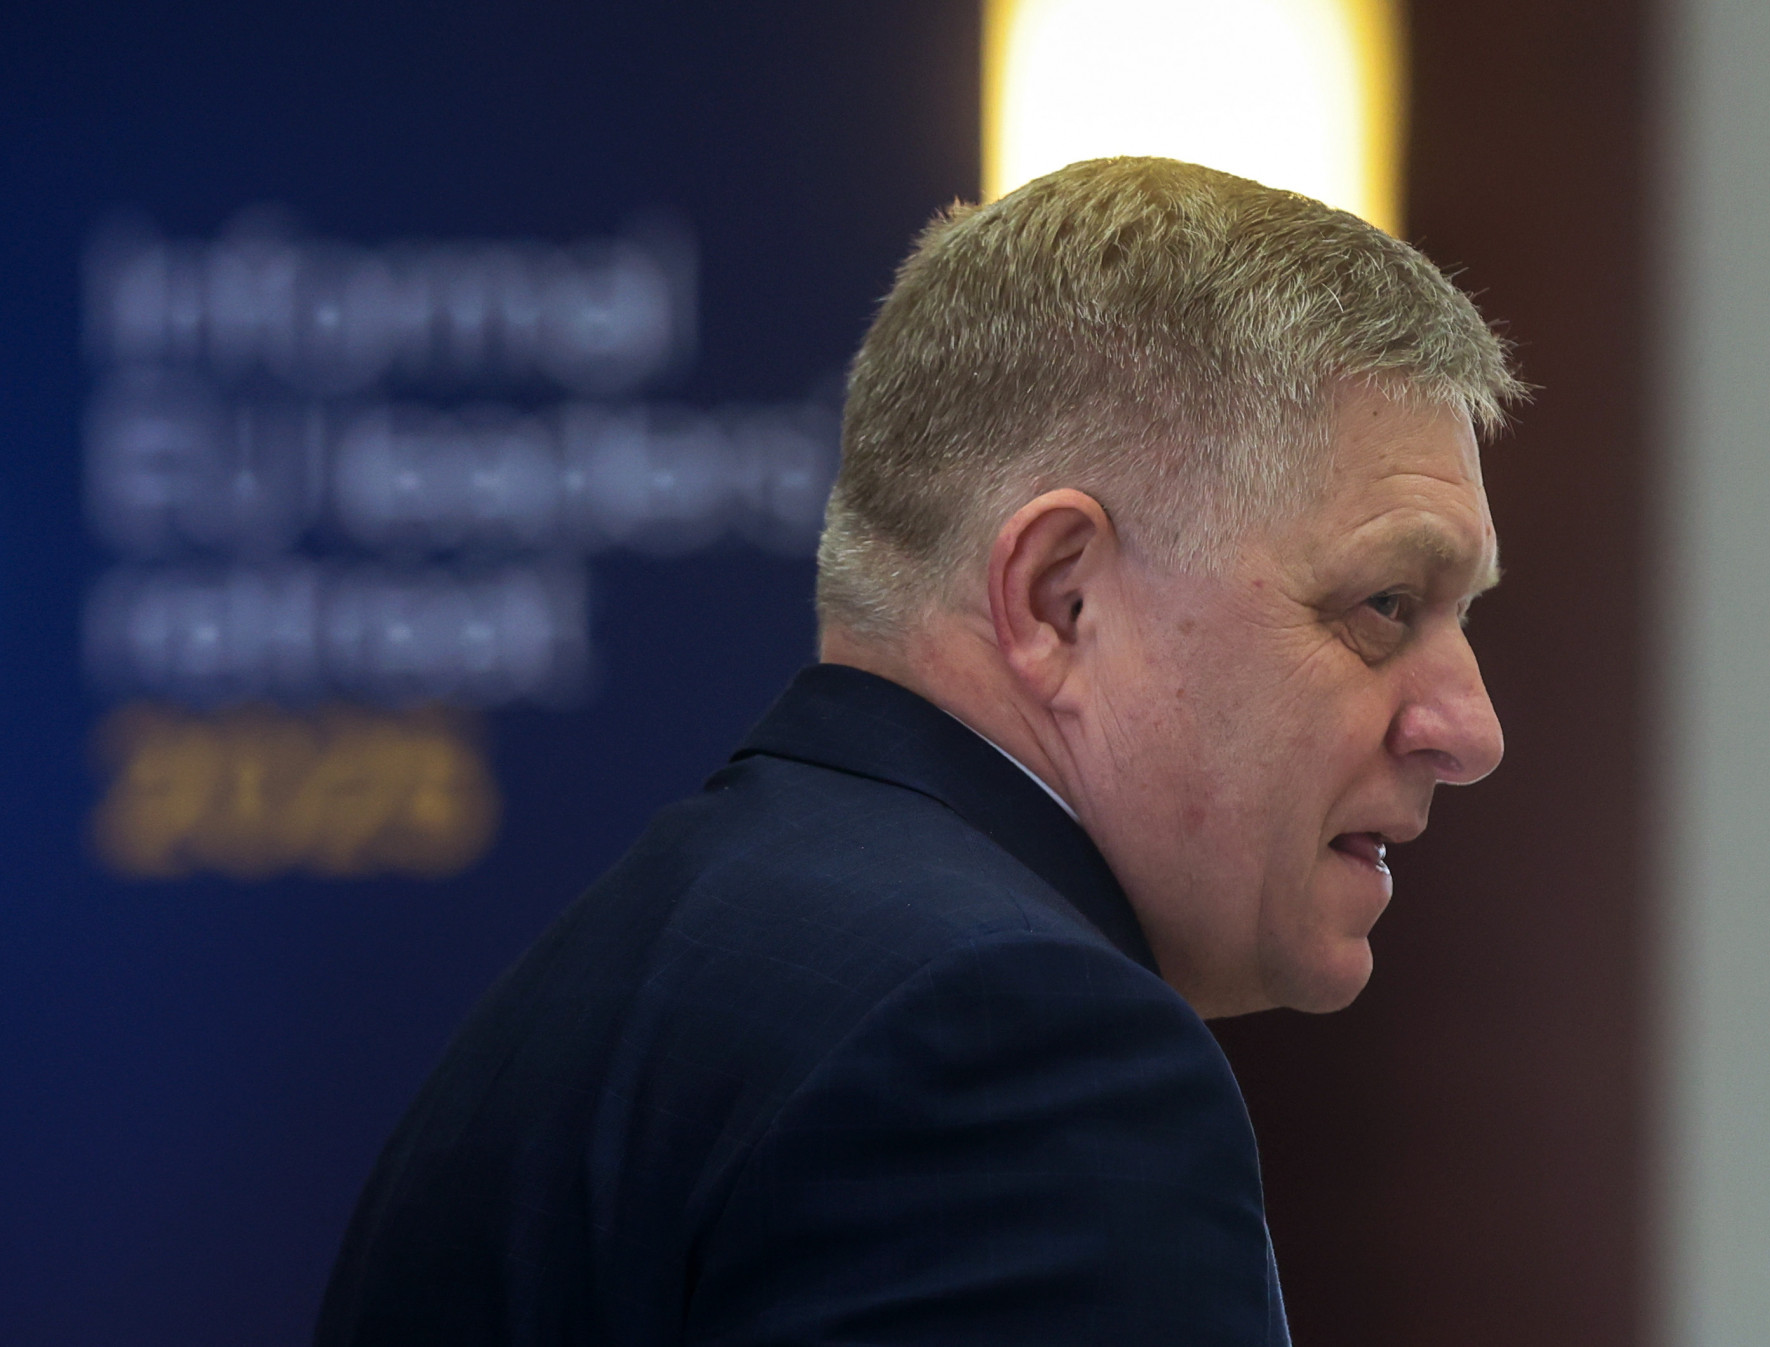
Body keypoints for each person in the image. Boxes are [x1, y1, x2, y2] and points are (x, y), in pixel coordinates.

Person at [316, 156, 1521, 1346]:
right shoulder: (1015, 1050)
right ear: (1060, 600)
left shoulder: (617, 984)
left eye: (1461, 618)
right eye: (1383, 605)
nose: (1469, 730)